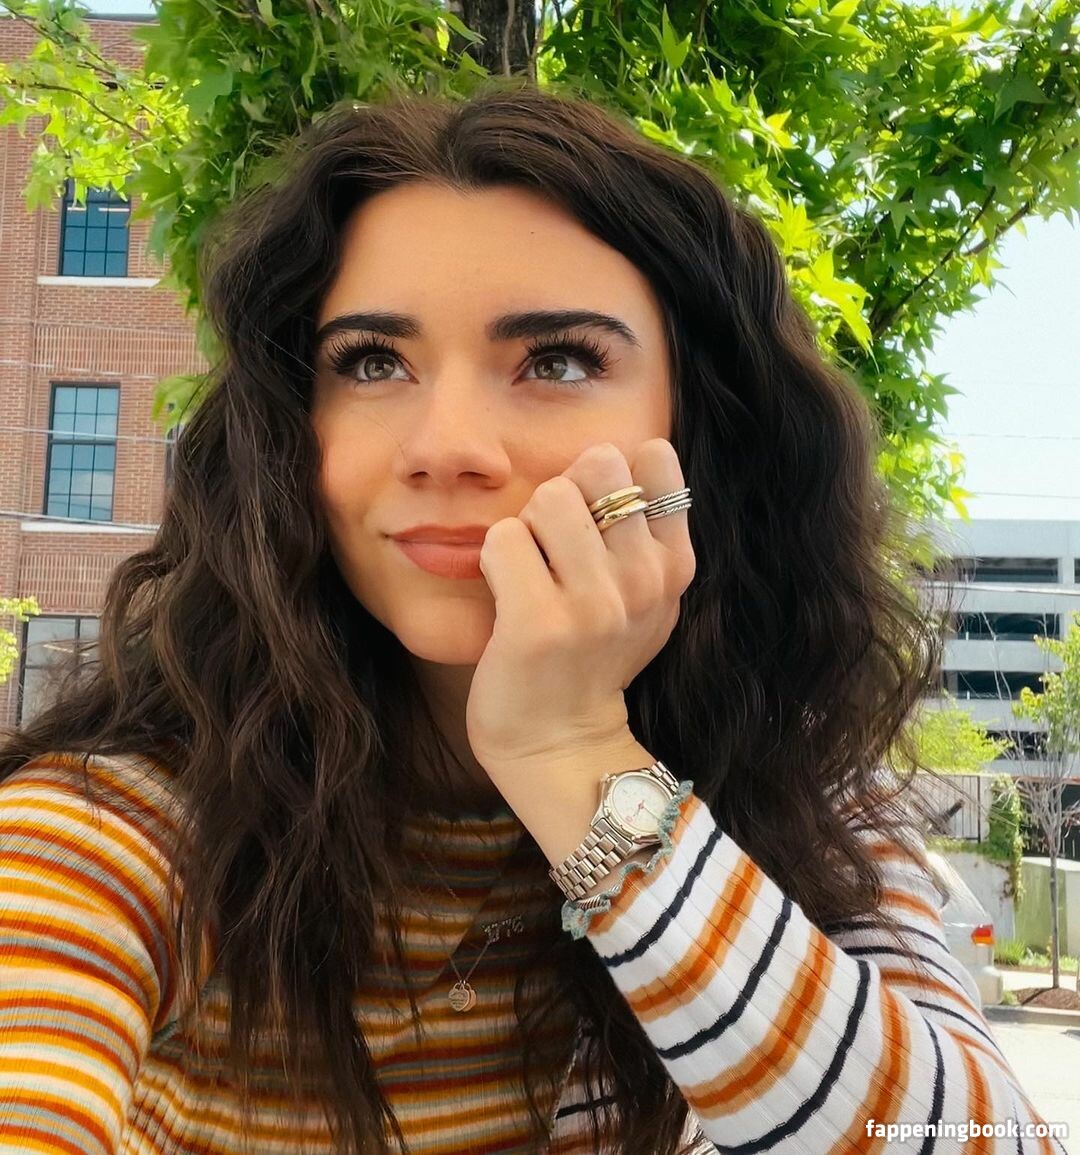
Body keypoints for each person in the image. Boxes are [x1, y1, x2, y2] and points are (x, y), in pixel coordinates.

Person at [0, 83, 1062, 1155]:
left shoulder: (803, 799)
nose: (445, 446)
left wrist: (574, 757)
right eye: (373, 362)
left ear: (701, 432)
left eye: (557, 360)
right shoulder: (113, 835)